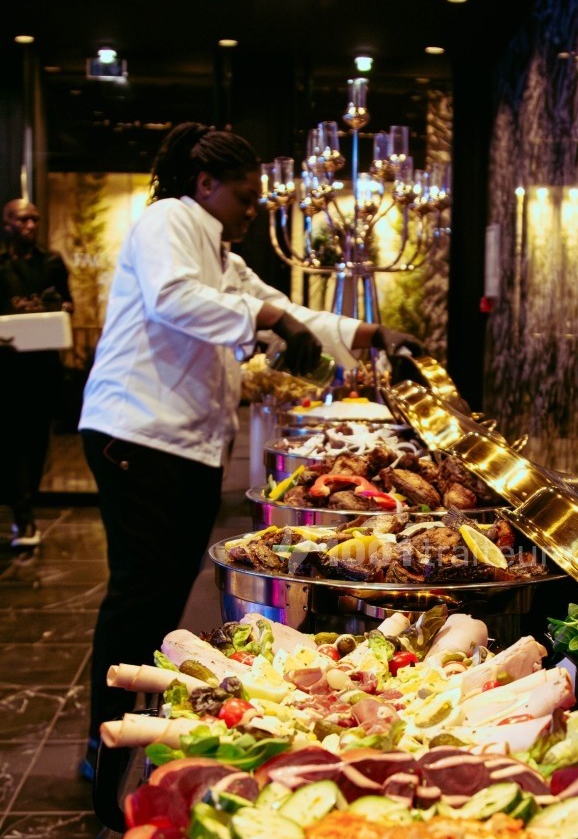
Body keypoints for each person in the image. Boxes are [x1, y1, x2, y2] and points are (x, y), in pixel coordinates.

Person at [77, 122, 423, 780]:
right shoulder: (169, 222)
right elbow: (175, 299)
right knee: (139, 596)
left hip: (182, 444)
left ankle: (135, 733)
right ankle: (105, 749)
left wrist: (375, 335)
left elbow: (278, 304)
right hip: (139, 435)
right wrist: (268, 321)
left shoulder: (219, 252)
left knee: (162, 597)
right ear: (205, 185)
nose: (252, 210)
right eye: (244, 196)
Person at [0, 199, 74, 548]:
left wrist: (61, 310)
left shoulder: (52, 263)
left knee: (37, 442)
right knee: (12, 441)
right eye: (22, 219)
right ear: (7, 222)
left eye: (34, 219)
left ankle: (26, 504)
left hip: (43, 368)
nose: (29, 225)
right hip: (7, 370)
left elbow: (67, 303)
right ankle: (22, 512)